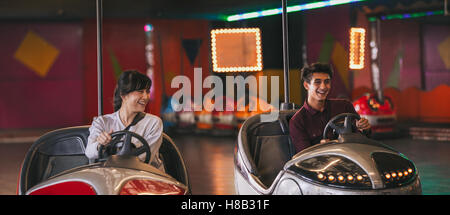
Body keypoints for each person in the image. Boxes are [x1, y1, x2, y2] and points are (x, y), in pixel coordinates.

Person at [85, 70, 163, 169]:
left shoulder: (153, 123)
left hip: (145, 177)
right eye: (140, 91)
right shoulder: (103, 122)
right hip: (113, 177)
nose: (146, 97)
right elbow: (89, 152)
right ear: (124, 95)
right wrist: (101, 144)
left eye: (147, 91)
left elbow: (143, 158)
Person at [289, 63, 371, 153]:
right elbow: (304, 156)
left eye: (327, 82)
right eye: (317, 82)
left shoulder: (344, 106)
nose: (323, 87)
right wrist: (320, 147)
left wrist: (365, 128)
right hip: (321, 164)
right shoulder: (298, 121)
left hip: (350, 159)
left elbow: (363, 138)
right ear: (306, 85)